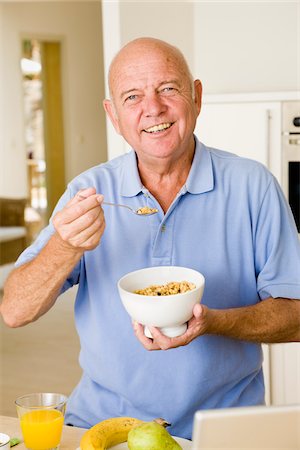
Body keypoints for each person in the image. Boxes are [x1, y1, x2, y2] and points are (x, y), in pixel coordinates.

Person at [1, 37, 300, 440]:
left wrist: (213, 322)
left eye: (168, 89)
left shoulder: (253, 186)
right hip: (103, 425)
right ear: (113, 115)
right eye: (132, 96)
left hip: (221, 430)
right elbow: (14, 312)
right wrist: (65, 245)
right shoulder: (88, 191)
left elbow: (296, 314)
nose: (153, 108)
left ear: (196, 96)